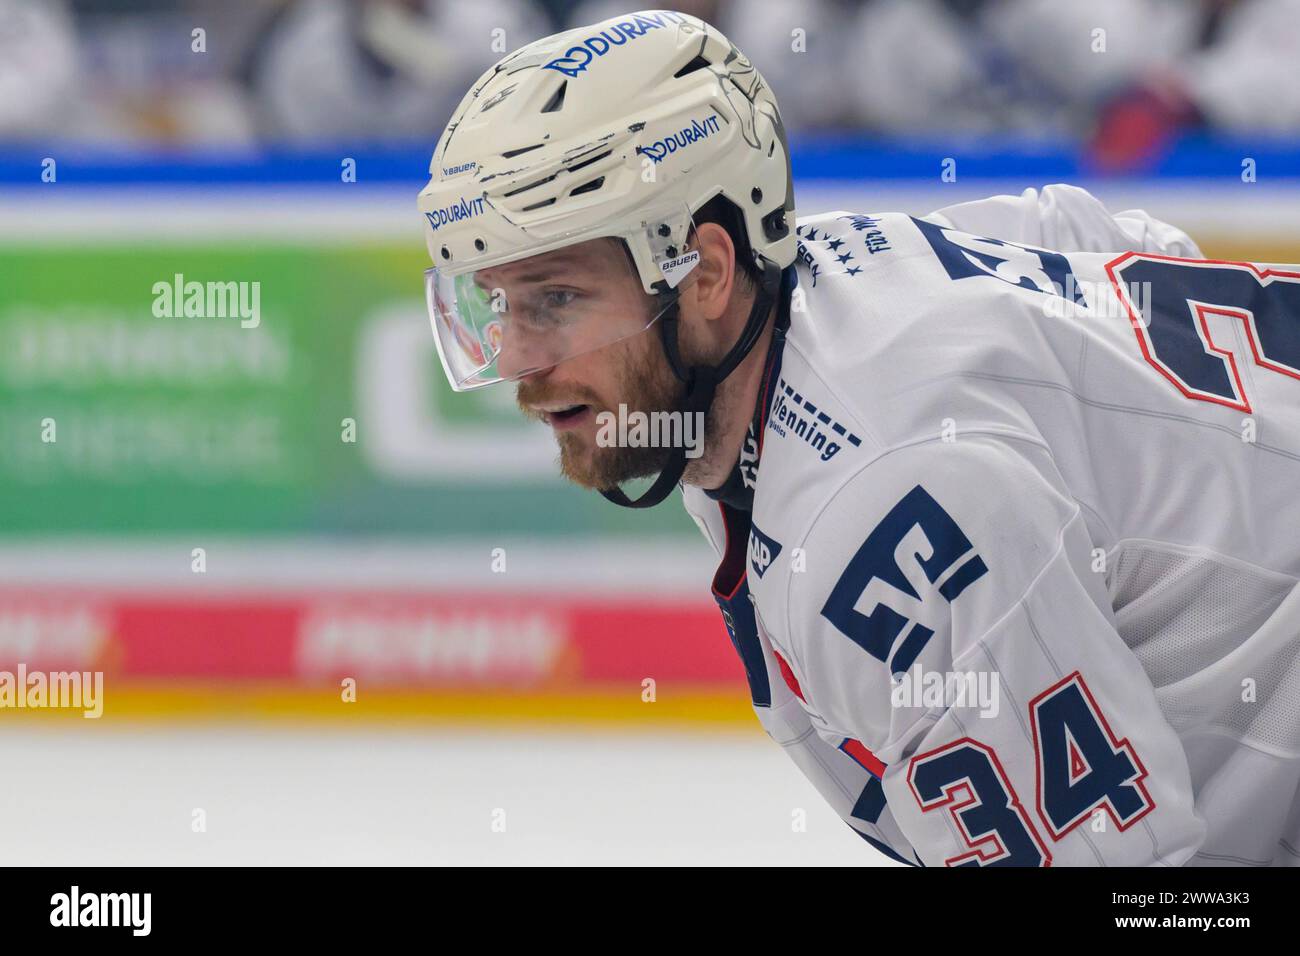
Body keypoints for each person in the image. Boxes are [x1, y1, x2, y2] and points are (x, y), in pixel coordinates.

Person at [416, 9, 1300, 866]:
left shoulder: (877, 518)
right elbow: (1114, 240)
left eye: (557, 299)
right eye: (498, 304)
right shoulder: (851, 274)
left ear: (709, 273)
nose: (520, 368)